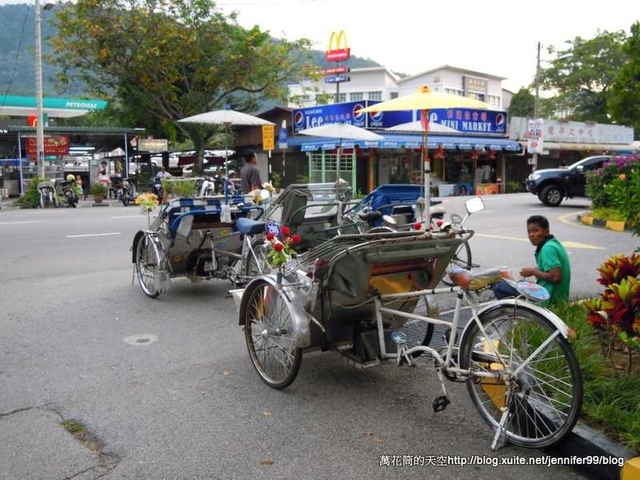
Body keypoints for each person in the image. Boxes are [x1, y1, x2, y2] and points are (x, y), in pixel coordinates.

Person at [492, 215, 571, 305]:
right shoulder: (553, 243)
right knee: (519, 283)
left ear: (546, 231)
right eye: (529, 232)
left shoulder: (548, 249)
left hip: (548, 299)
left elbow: (555, 277)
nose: (531, 235)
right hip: (552, 296)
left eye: (536, 230)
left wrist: (533, 272)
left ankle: (524, 315)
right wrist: (536, 271)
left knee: (499, 286)